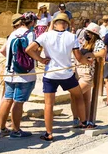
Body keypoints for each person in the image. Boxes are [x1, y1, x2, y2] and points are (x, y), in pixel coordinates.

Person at [26, 13, 93, 142]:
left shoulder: (45, 36)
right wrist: (87, 61)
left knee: (49, 104)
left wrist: (40, 59)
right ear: (67, 24)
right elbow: (78, 57)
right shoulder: (72, 36)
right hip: (66, 74)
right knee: (78, 95)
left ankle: (49, 133)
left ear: (54, 23)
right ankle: (83, 122)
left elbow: (29, 49)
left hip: (50, 73)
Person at [0, 12, 38, 139]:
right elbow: (31, 50)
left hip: (10, 72)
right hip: (25, 74)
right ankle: (16, 130)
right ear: (32, 22)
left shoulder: (12, 34)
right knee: (18, 102)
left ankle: (1, 128)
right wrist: (40, 59)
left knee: (7, 99)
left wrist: (13, 60)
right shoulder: (30, 34)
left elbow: (3, 50)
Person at [74, 22, 105, 127]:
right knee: (86, 99)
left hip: (88, 72)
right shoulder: (85, 42)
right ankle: (86, 121)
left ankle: (78, 120)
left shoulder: (98, 42)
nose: (86, 34)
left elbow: (103, 53)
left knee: (75, 95)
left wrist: (91, 54)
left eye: (88, 32)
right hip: (80, 71)